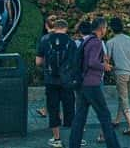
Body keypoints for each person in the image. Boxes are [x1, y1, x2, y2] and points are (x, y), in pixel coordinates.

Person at [68, 18, 120, 148]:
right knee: (105, 116)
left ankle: (73, 145)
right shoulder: (96, 42)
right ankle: (113, 145)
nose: (106, 30)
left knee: (80, 116)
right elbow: (92, 62)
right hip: (92, 83)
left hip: (82, 82)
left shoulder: (86, 41)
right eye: (106, 28)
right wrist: (104, 66)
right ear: (102, 28)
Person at [36, 19, 76, 148]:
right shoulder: (71, 42)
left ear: (55, 27)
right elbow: (76, 63)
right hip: (67, 81)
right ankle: (74, 138)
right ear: (66, 28)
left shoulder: (45, 40)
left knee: (53, 109)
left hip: (51, 80)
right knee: (69, 108)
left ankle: (57, 139)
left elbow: (38, 62)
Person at [104, 17, 130, 136]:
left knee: (124, 98)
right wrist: (129, 59)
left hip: (121, 72)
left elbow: (107, 59)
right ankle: (117, 119)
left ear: (111, 28)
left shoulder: (110, 42)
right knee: (123, 96)